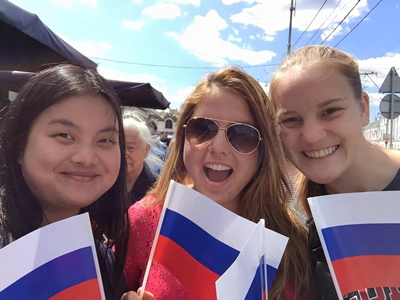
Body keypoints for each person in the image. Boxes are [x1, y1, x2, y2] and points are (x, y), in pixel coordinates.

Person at [124, 67, 316, 300]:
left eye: (242, 135)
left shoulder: (292, 243)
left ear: (263, 151)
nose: (217, 146)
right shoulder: (145, 220)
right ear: (184, 136)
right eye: (202, 129)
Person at [0, 64, 152, 300]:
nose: (86, 158)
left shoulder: (102, 260)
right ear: (20, 146)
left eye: (104, 140)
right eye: (64, 135)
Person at [269, 45, 400, 299]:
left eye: (330, 111)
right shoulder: (297, 230)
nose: (312, 135)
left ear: (363, 108)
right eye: (291, 120)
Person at [124, 117, 163, 205]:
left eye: (130, 148)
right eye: (119, 147)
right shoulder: (106, 184)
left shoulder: (157, 190)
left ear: (146, 150)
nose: (124, 154)